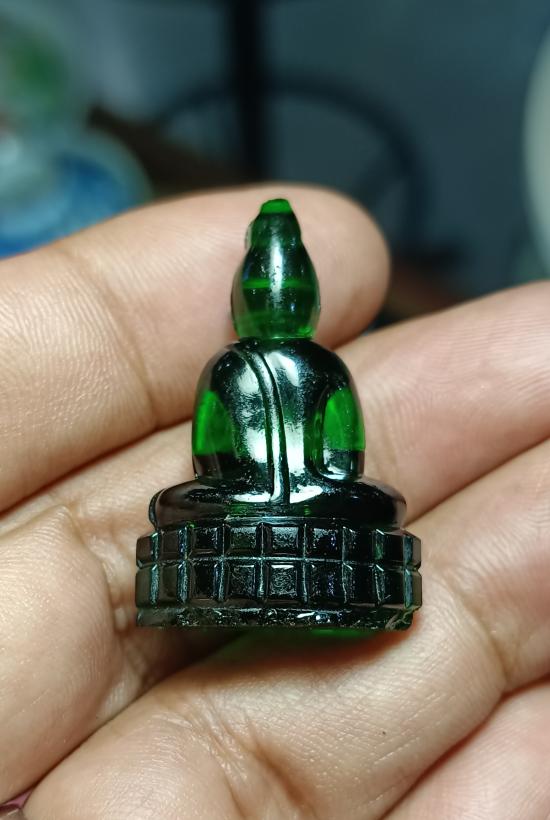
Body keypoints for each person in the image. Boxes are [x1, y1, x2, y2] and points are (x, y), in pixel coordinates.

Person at [0, 186, 548, 819]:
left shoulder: (325, 369)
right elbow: (213, 462)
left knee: (368, 500)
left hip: (310, 500)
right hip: (247, 500)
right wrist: (265, 487)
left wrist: (299, 486)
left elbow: (344, 462)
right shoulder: (228, 370)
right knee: (189, 501)